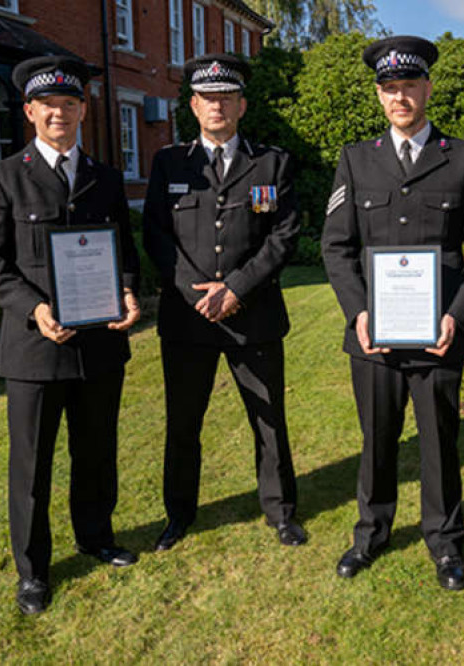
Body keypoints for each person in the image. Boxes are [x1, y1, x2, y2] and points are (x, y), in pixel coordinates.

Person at [322, 36, 464, 591]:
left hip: (438, 335)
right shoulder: (356, 159)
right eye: (389, 88)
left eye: (409, 85)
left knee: (439, 443)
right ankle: (370, 534)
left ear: (427, 88)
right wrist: (358, 312)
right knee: (377, 441)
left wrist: (456, 314)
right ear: (380, 96)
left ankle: (446, 544)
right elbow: (336, 246)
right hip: (374, 336)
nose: (399, 96)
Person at [0, 55, 142, 615]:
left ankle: (96, 536)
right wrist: (34, 308)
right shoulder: (2, 178)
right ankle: (33, 571)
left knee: (97, 452)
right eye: (49, 106)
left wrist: (131, 291)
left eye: (70, 104)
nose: (59, 114)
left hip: (99, 345)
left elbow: (125, 253)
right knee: (33, 466)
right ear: (30, 112)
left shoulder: (105, 177)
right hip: (34, 348)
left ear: (83, 110)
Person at [142, 54, 305, 552]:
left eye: (227, 97)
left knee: (268, 419)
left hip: (252, 314)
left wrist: (235, 287)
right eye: (208, 98)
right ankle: (179, 514)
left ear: (242, 105)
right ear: (194, 105)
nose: (218, 106)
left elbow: (283, 235)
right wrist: (199, 291)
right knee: (184, 421)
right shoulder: (169, 163)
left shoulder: (270, 163)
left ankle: (280, 511)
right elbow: (156, 235)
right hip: (188, 320)